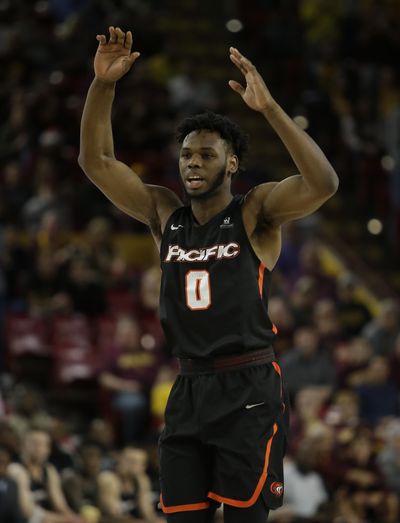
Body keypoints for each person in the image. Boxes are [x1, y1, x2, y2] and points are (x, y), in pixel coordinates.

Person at [79, 26, 339, 523]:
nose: (193, 164)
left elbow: (323, 183)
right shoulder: (163, 214)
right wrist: (103, 84)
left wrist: (269, 111)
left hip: (249, 386)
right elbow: (96, 162)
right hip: (189, 388)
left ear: (232, 162)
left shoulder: (255, 211)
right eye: (186, 155)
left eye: (206, 155)